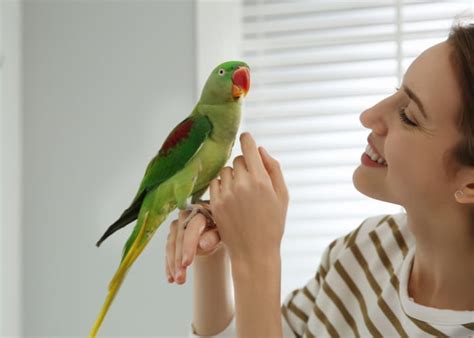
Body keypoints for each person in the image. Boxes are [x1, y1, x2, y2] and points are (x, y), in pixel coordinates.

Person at [165, 19, 474, 337]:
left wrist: (256, 260)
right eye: (397, 93)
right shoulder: (367, 247)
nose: (369, 115)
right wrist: (216, 255)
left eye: (409, 116)